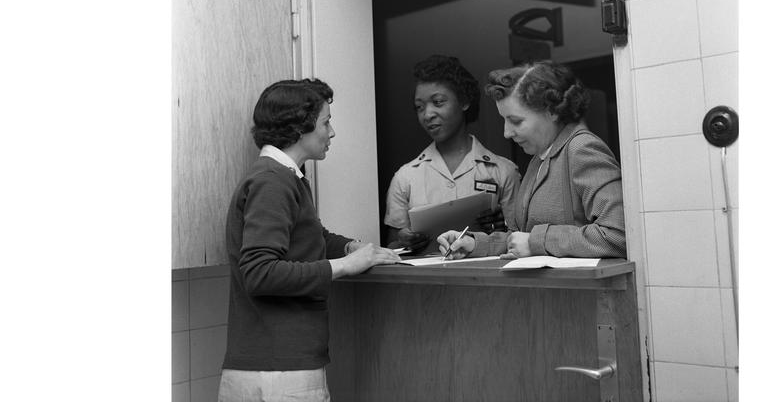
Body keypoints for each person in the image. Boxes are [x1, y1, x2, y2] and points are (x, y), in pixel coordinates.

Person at [218, 79, 400, 402]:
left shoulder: (282, 178)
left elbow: (309, 237)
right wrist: (343, 266)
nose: (332, 132)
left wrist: (348, 247)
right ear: (299, 127)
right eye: (326, 122)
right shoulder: (273, 182)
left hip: (270, 368)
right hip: (280, 373)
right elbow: (260, 273)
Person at [437, 61, 626, 259]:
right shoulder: (539, 158)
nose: (506, 133)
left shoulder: (582, 149)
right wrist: (475, 244)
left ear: (552, 111)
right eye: (504, 120)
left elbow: (616, 236)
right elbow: (522, 239)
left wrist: (535, 242)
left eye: (515, 121)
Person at [384, 55, 520, 252]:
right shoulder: (405, 177)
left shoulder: (503, 171)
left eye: (438, 102)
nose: (427, 114)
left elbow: (520, 238)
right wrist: (404, 241)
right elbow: (392, 245)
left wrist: (501, 229)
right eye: (419, 107)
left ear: (464, 101)